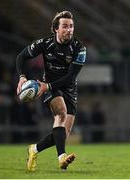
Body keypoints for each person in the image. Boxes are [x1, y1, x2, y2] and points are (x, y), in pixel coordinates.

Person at [16, 10, 86, 171]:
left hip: (68, 89)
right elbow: (21, 57)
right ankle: (61, 158)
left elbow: (71, 76)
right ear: (56, 28)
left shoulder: (79, 48)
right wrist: (22, 76)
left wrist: (47, 86)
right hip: (48, 87)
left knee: (62, 135)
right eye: (65, 26)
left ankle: (34, 149)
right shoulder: (45, 44)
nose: (69, 30)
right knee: (61, 113)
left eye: (71, 26)